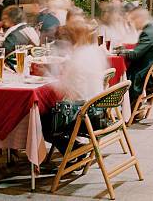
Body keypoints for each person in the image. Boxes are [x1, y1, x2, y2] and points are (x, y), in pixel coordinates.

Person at [43, 19, 108, 155]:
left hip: (84, 116)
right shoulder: (94, 52)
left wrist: (45, 73)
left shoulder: (77, 59)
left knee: (41, 121)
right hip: (100, 112)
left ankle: (74, 150)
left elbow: (63, 90)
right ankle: (74, 147)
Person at [116, 8, 153, 103]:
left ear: (139, 19)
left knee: (128, 74)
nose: (132, 24)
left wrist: (120, 51)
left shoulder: (147, 33)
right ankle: (134, 106)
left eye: (133, 21)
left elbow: (135, 55)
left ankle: (132, 106)